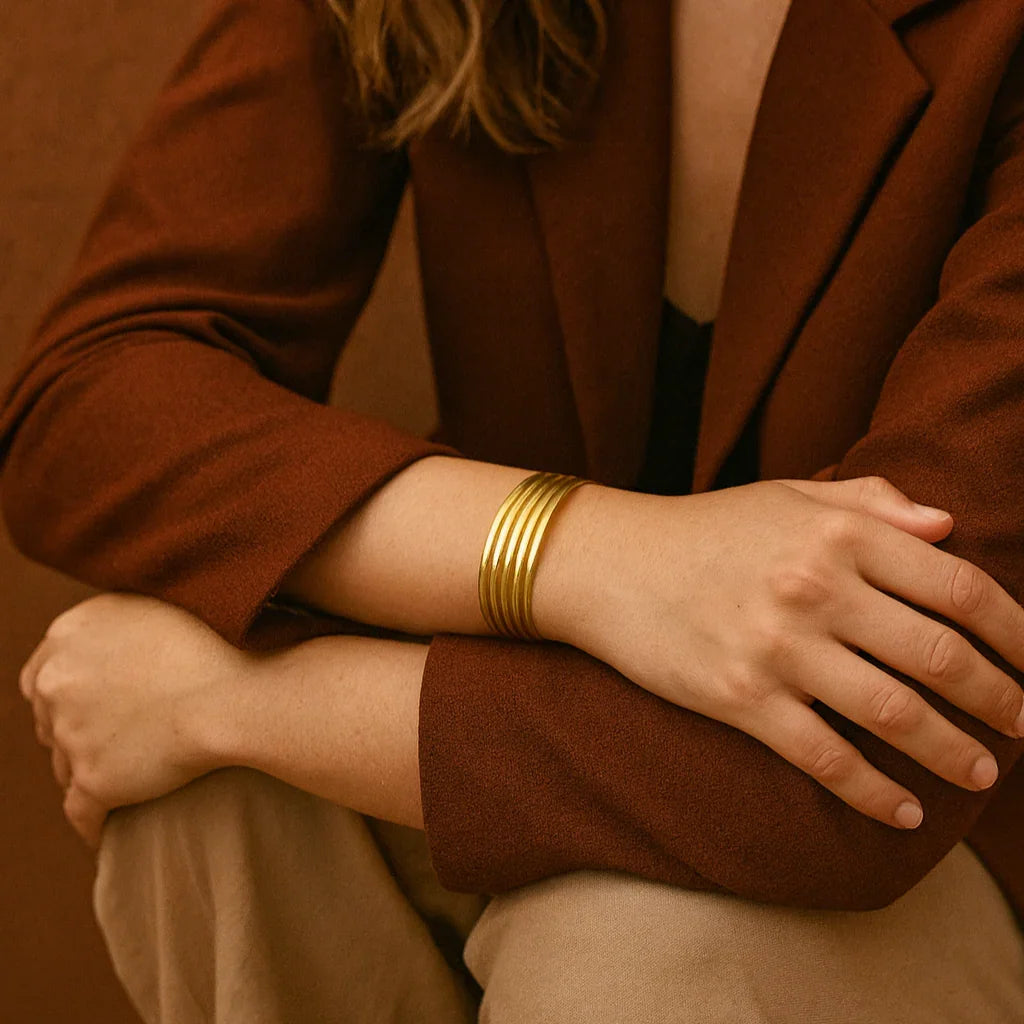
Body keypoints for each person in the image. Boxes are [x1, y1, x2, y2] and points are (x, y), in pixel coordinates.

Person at [4, 0, 1024, 1020]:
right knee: (203, 804)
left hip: (940, 853)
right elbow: (91, 397)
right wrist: (591, 557)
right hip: (538, 736)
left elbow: (871, 761)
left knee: (634, 943)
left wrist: (229, 703)